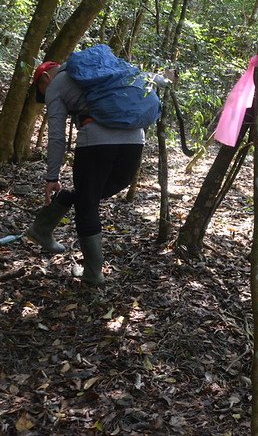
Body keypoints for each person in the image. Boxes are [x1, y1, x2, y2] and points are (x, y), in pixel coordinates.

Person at [26, 54, 172, 285]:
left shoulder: (56, 85)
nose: (44, 96)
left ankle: (92, 272)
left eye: (40, 90)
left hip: (96, 141)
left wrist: (52, 176)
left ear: (45, 77)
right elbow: (146, 78)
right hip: (134, 139)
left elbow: (56, 136)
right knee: (91, 194)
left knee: (87, 201)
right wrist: (166, 78)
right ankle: (43, 229)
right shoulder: (105, 70)